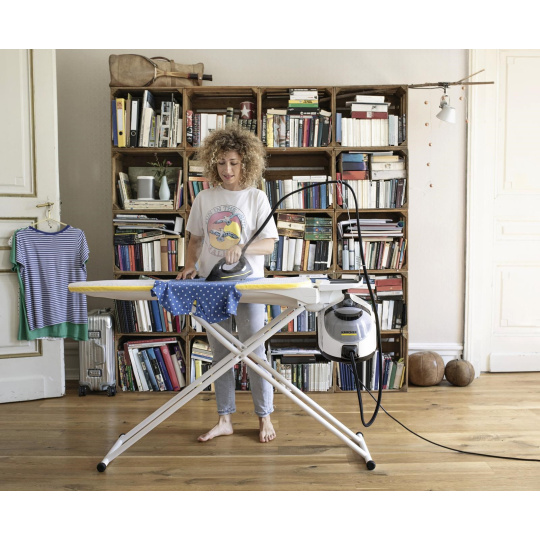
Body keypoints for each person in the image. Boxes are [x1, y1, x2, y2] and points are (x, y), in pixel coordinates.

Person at [177, 124, 279, 443]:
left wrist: (243, 247)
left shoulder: (256, 197)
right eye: (221, 162)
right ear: (212, 163)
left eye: (234, 162)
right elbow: (195, 240)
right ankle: (224, 419)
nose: (227, 169)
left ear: (246, 162)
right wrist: (190, 266)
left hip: (249, 286)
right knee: (220, 353)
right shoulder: (204, 197)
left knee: (255, 351)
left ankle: (264, 417)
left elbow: (269, 244)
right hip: (212, 285)